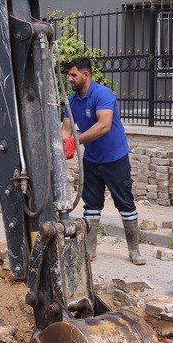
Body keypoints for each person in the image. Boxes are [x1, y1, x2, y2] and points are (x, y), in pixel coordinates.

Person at [61, 56, 145, 266]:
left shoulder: (102, 94)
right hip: (91, 160)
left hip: (115, 158)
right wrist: (64, 146)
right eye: (69, 75)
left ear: (85, 75)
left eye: (73, 74)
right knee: (92, 205)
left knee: (125, 204)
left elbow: (104, 125)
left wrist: (76, 140)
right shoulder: (71, 102)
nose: (70, 78)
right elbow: (65, 129)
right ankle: (89, 251)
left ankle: (134, 251)